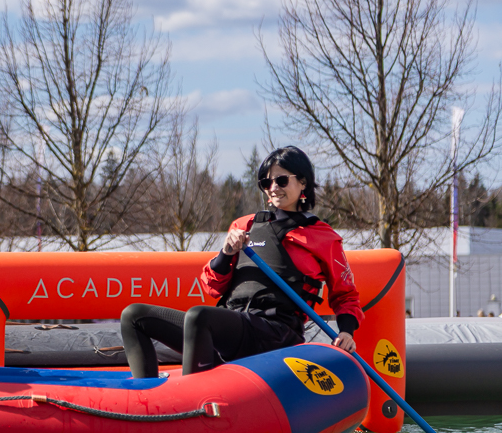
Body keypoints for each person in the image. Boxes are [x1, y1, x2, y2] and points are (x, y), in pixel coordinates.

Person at [121, 146, 363, 378]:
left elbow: (346, 295)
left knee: (198, 317)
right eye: (267, 183)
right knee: (133, 315)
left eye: (281, 180)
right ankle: (147, 401)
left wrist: (346, 332)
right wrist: (226, 252)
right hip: (232, 328)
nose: (273, 188)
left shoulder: (323, 236)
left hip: (276, 333)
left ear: (303, 183)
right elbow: (212, 287)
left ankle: (195, 404)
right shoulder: (243, 225)